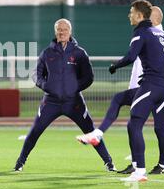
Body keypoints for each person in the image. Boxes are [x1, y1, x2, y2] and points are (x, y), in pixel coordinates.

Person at [77, 0, 164, 182]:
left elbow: (131, 57)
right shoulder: (163, 35)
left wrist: (114, 66)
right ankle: (99, 135)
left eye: (131, 12)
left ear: (140, 16)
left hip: (152, 85)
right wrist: (161, 73)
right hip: (162, 88)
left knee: (134, 125)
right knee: (121, 100)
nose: (129, 15)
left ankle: (139, 171)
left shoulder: (141, 32)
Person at [13, 19, 117, 173]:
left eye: (65, 29)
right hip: (51, 102)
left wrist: (74, 88)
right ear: (56, 32)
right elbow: (36, 74)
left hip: (74, 102)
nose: (62, 32)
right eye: (59, 30)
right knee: (35, 131)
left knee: (91, 131)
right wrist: (45, 86)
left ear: (70, 31)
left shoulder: (79, 53)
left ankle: (109, 162)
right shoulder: (47, 53)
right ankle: (19, 163)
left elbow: (88, 77)